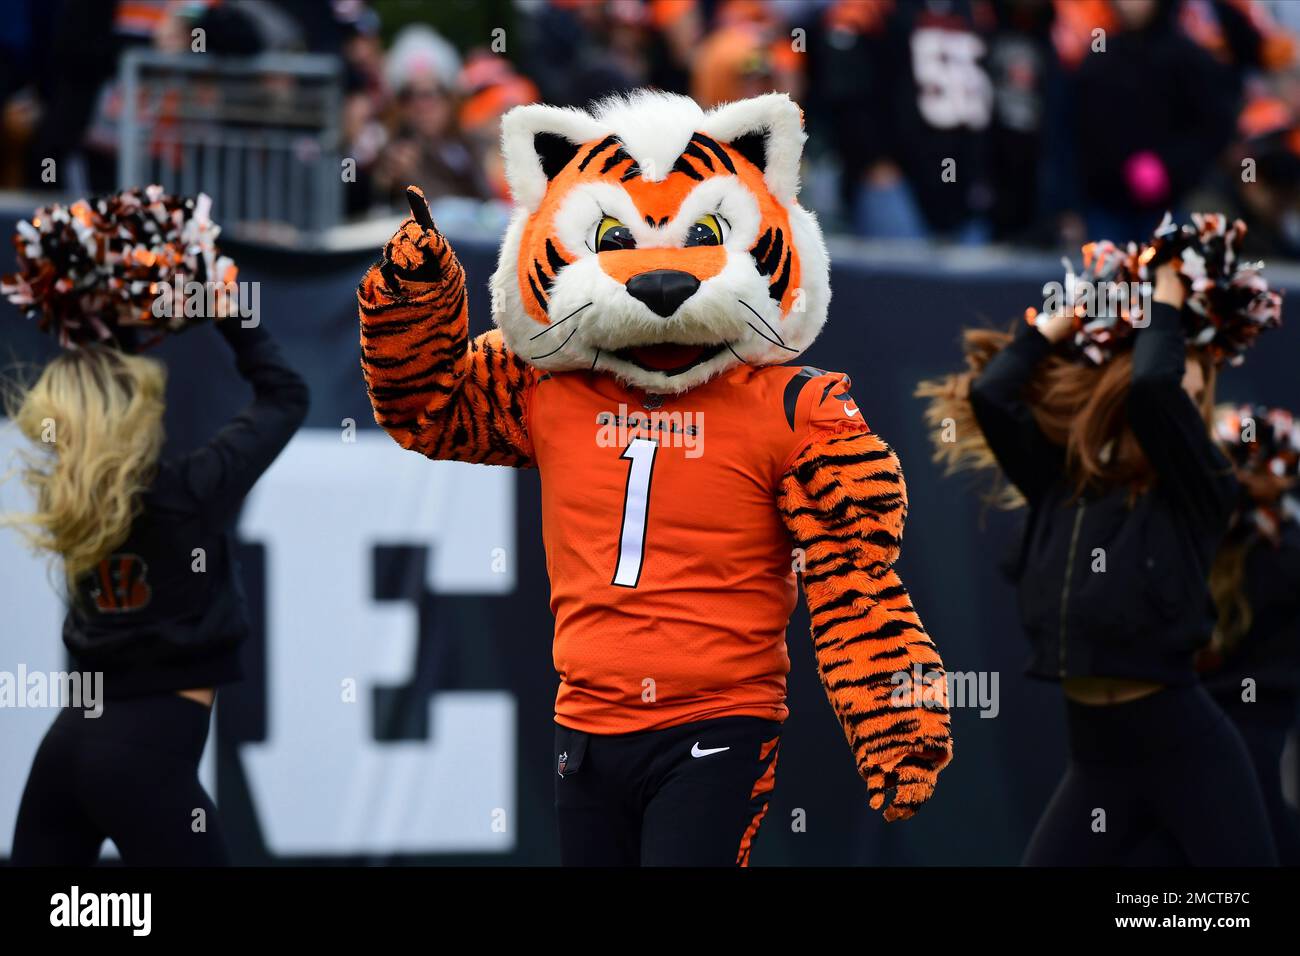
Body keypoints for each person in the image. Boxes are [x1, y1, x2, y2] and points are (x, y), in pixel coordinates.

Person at [358, 91, 953, 866]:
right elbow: (424, 406)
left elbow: (855, 574)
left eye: (704, 235)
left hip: (719, 719)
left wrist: (892, 709)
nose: (661, 277)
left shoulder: (796, 407)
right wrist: (416, 300)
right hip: (588, 722)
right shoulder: (546, 382)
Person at [919, 227, 1279, 865]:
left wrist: (1167, 291)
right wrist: (1077, 310)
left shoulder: (1202, 484)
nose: (1184, 393)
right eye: (1179, 373)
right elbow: (992, 391)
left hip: (1183, 743)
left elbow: (1153, 388)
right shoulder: (1061, 480)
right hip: (1097, 753)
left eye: (1193, 385)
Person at [3, 190, 309, 864]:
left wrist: (102, 305)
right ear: (137, 417)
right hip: (145, 764)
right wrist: (214, 293)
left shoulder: (70, 500)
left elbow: (96, 382)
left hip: (65, 749)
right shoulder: (189, 494)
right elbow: (285, 393)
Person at [1201, 404, 1300, 865]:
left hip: (1262, 730)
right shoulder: (1202, 546)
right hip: (1223, 733)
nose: (1280, 478)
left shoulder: (1279, 545)